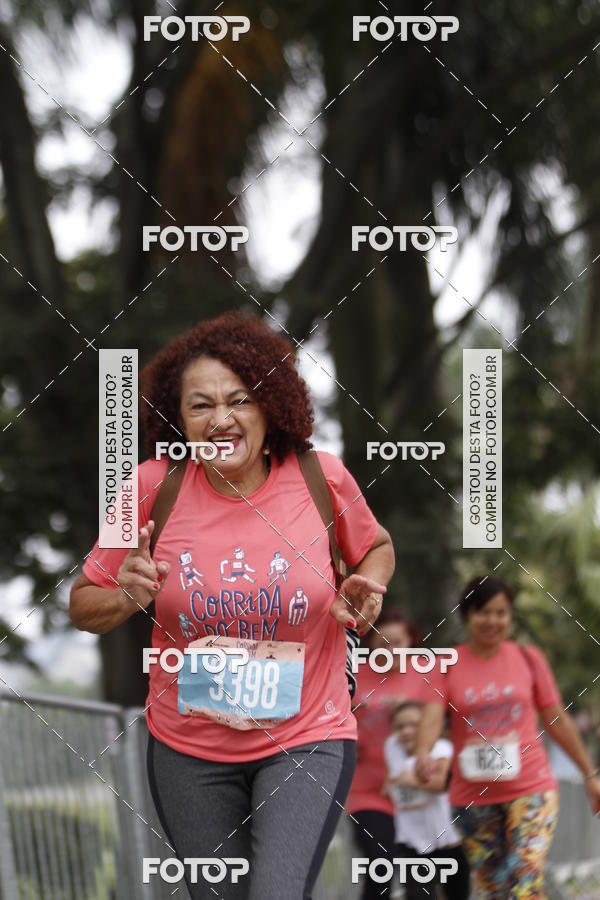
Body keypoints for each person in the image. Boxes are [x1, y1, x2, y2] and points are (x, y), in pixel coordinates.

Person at [69, 311, 395, 900]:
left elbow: (376, 547)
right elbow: (81, 603)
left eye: (239, 399)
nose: (221, 418)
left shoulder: (322, 478)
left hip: (307, 737)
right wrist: (125, 594)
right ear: (179, 420)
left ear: (269, 407)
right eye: (199, 405)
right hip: (187, 750)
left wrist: (365, 589)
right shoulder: (147, 488)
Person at [415, 575, 600, 899]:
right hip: (472, 798)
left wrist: (589, 773)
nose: (493, 621)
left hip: (531, 789)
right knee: (495, 889)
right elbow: (431, 717)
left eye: (501, 613)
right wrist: (423, 753)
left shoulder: (528, 659)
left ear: (510, 617)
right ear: (467, 615)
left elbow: (556, 719)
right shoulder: (446, 666)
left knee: (524, 882)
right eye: (483, 612)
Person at [346, 609, 431, 900]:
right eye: (382, 643)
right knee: (378, 862)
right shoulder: (353, 673)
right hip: (367, 791)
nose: (390, 650)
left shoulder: (426, 675)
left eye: (397, 643)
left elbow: (444, 725)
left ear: (412, 643)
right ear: (369, 644)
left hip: (416, 791)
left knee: (419, 878)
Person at [383, 701, 470, 899]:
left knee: (457, 894)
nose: (406, 731)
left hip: (447, 840)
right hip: (410, 840)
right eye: (400, 727)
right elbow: (391, 781)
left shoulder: (441, 747)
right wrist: (392, 786)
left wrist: (411, 782)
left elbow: (441, 783)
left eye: (413, 725)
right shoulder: (391, 747)